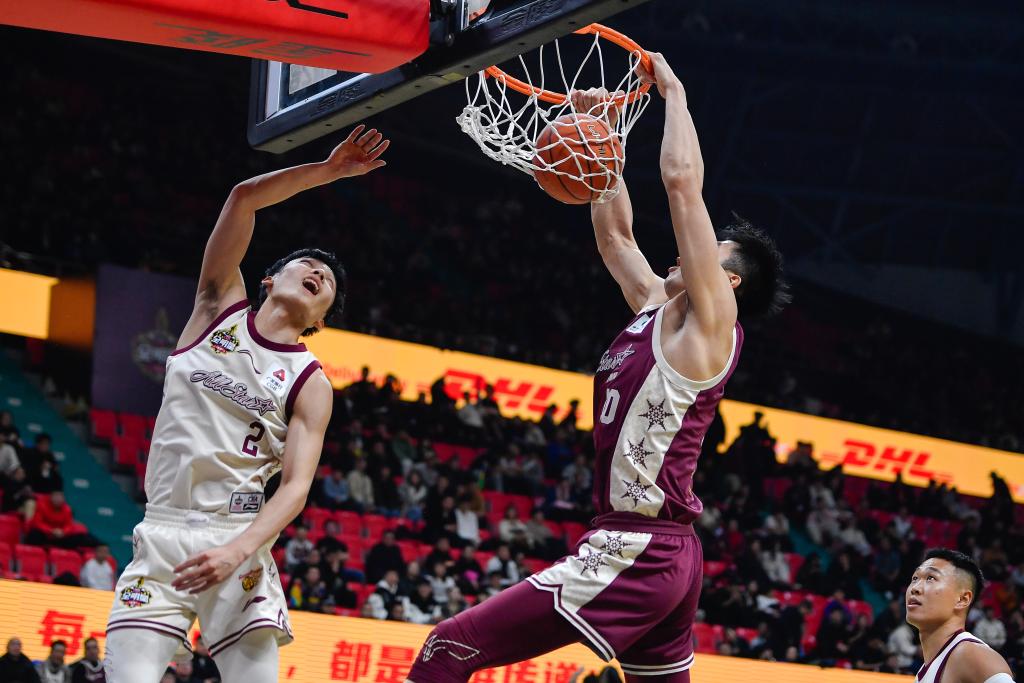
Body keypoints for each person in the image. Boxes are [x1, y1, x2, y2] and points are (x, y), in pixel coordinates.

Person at [406, 53, 788, 683]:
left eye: (708, 249)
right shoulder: (655, 309)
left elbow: (681, 184)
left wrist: (673, 93)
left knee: (448, 648)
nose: (684, 252)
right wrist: (599, 138)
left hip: (637, 547)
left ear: (728, 282)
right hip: (660, 548)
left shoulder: (712, 324)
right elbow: (616, 240)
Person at [103, 125, 389, 683]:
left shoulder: (311, 382)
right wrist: (327, 171)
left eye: (328, 281)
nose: (318, 273)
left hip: (238, 540)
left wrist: (237, 550)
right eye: (307, 265)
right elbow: (243, 198)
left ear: (321, 319)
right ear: (268, 279)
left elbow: (296, 489)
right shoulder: (217, 308)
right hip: (161, 533)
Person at [906, 548, 1014, 683]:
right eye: (915, 578)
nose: (915, 588)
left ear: (962, 599)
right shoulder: (924, 672)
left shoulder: (970, 654)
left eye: (931, 578)